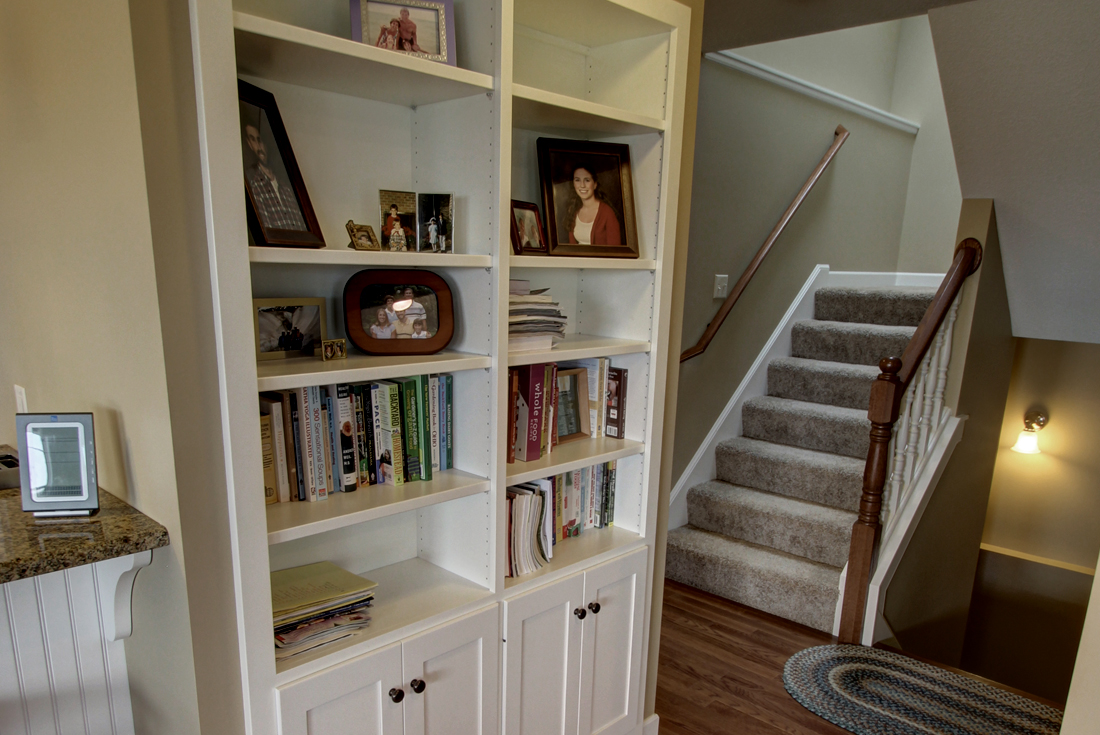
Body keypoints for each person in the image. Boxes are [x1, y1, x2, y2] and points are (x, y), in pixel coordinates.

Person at [243, 118, 307, 231]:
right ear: (249, 144)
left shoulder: (287, 188)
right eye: (253, 140)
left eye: (260, 140)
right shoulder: (255, 186)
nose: (259, 146)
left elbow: (302, 229)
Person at [563, 164, 621, 245]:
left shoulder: (607, 213)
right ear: (573, 184)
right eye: (577, 180)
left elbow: (616, 252)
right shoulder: (573, 211)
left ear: (595, 184)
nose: (582, 185)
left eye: (587, 180)